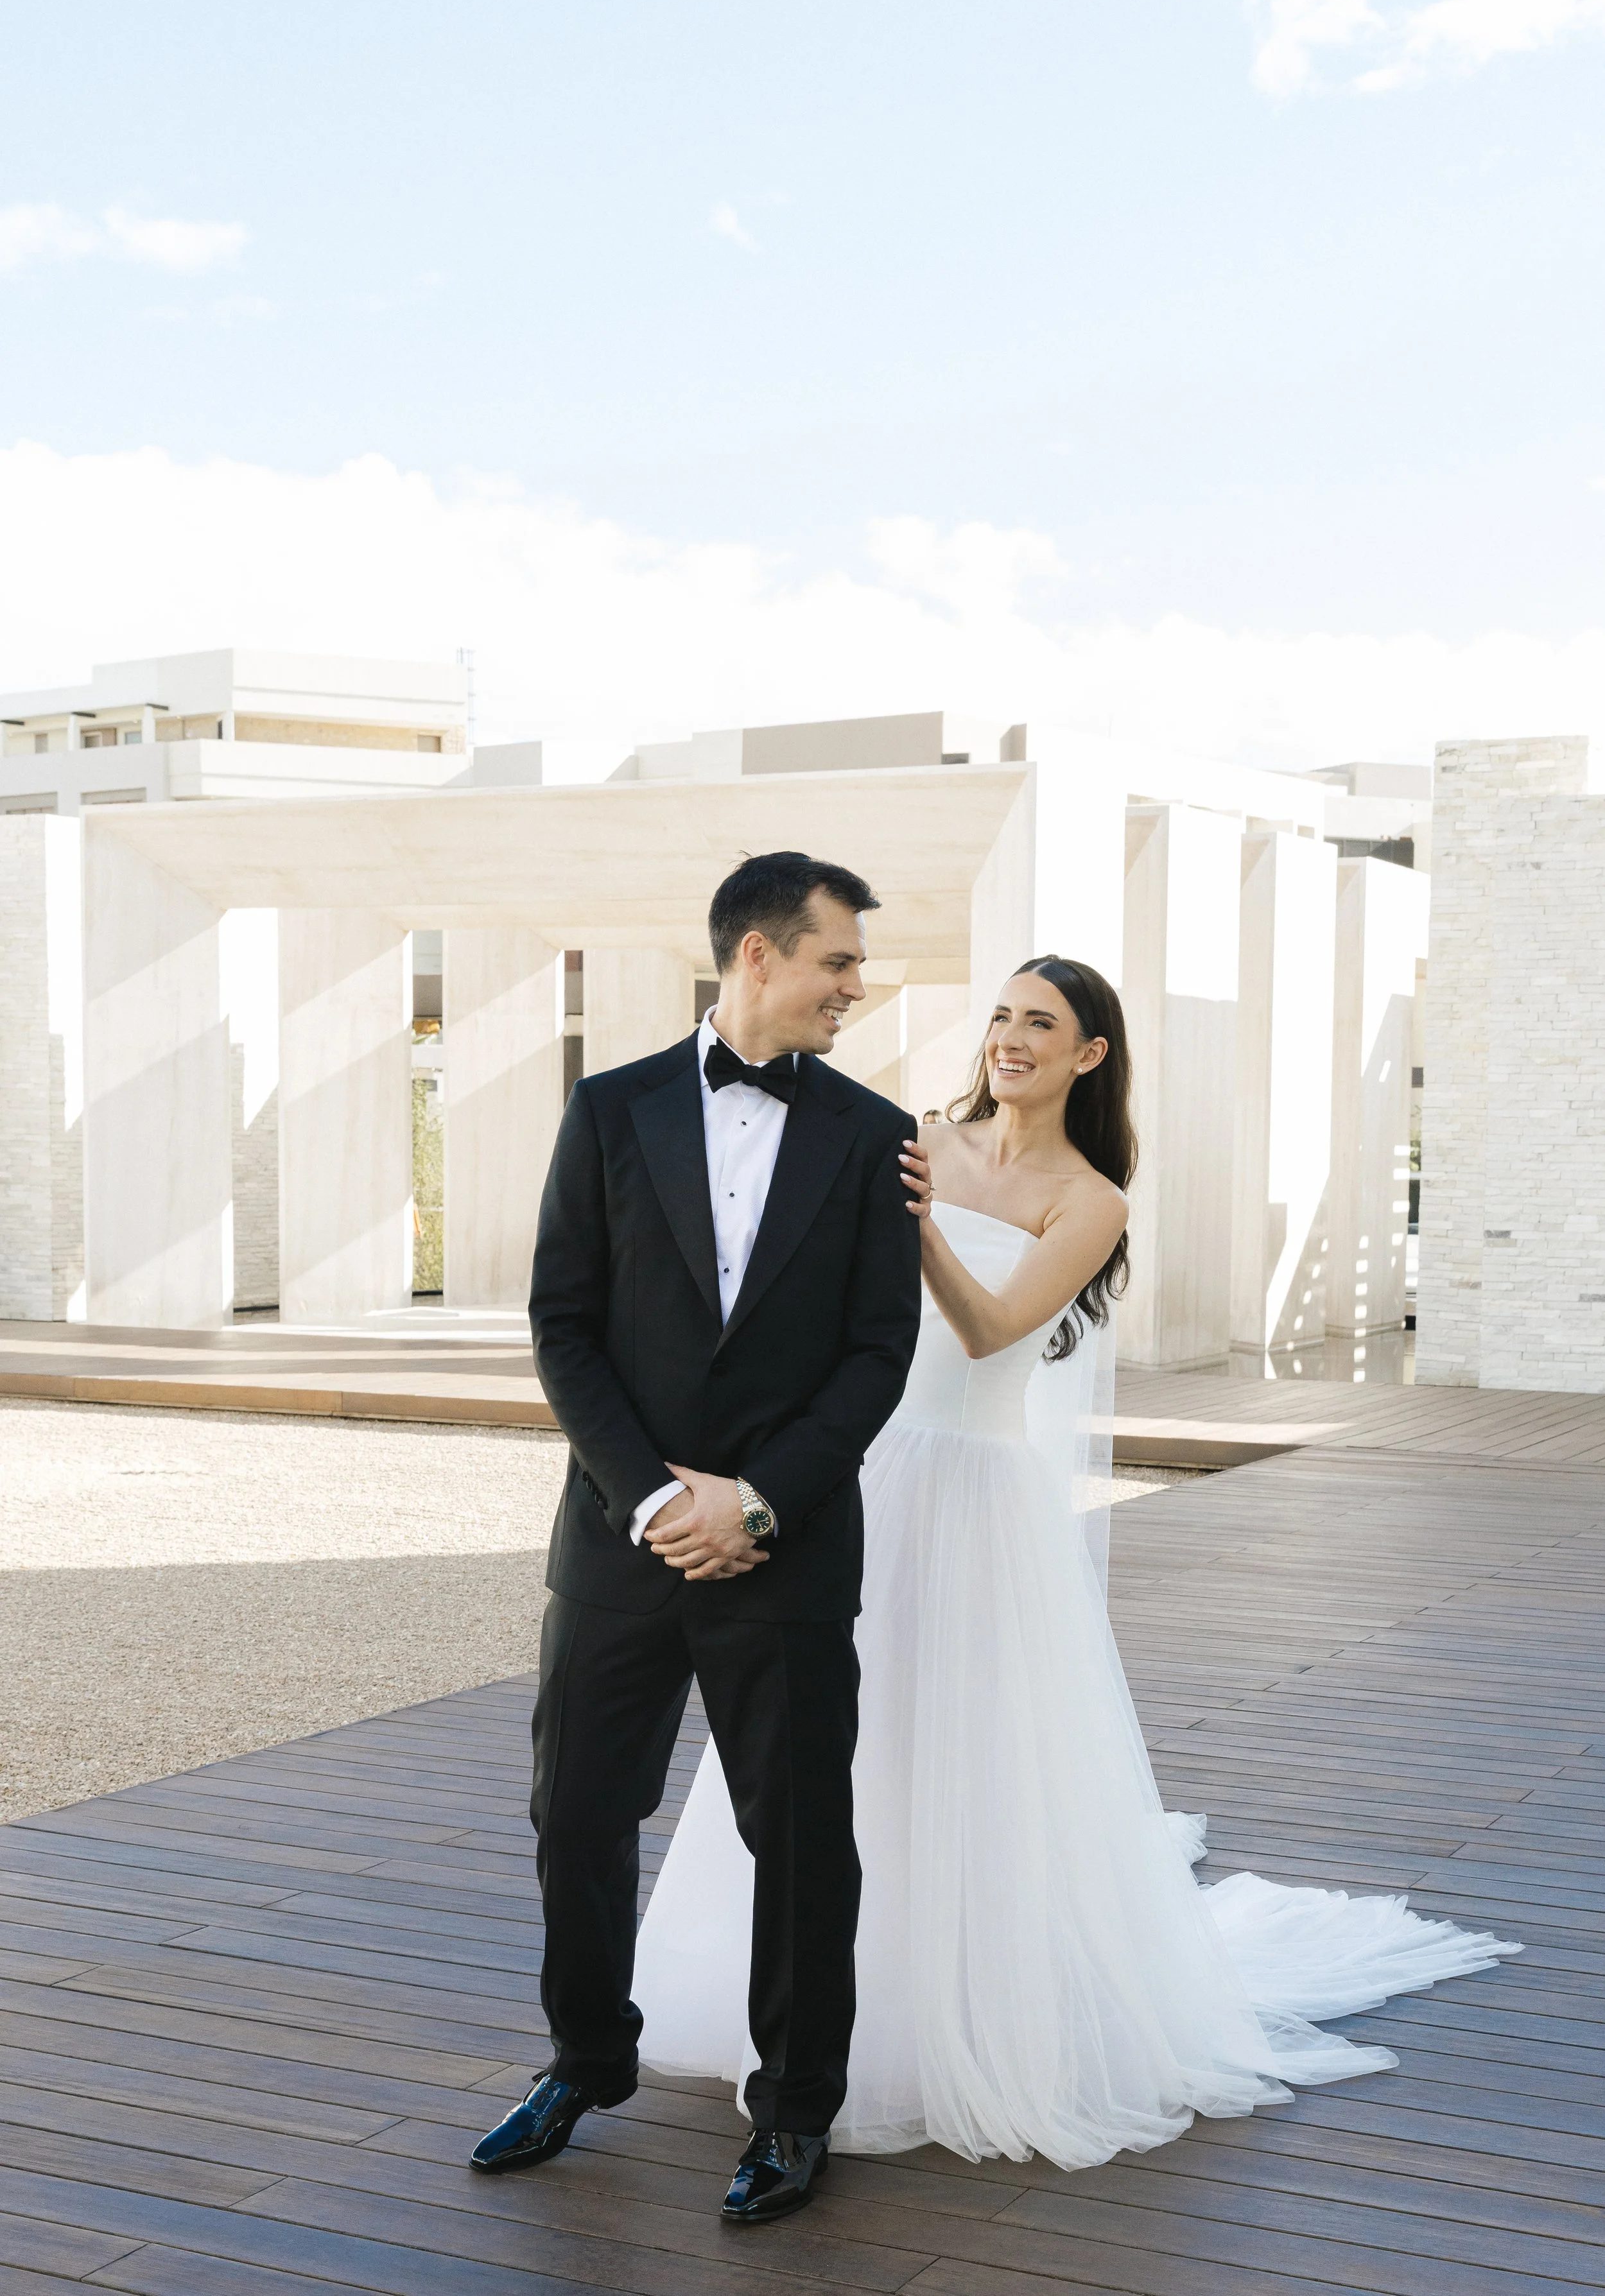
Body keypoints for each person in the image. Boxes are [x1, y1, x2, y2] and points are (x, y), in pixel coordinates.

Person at [632, 954, 1514, 2168]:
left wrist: (921, 1226)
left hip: (975, 1499)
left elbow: (993, 1328)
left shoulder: (1091, 1198)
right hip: (859, 1472)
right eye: (1000, 1014)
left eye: (1038, 1022)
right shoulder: (916, 1135)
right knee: (814, 1742)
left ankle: (933, 2014)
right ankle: (795, 2005)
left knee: (953, 1753)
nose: (1009, 1036)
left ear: (1087, 1054)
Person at [468, 852, 921, 2222]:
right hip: (620, 1545)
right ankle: (585, 2060)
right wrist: (657, 1500)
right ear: (758, 958)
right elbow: (561, 1323)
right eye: (837, 960)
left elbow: (872, 1351)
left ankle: (792, 2111)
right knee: (578, 1816)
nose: (856, 985)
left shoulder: (869, 1133)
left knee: (798, 1836)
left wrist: (757, 1501)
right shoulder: (607, 1111)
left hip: (786, 1548)